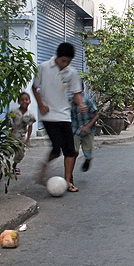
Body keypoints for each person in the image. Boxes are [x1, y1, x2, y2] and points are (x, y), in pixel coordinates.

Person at [33, 42, 87, 192]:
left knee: (70, 151)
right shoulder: (43, 67)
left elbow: (76, 92)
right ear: (57, 56)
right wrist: (40, 104)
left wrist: (81, 104)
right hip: (48, 115)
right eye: (63, 60)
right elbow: (34, 87)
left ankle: (68, 181)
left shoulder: (71, 72)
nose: (65, 64)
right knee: (56, 148)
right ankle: (44, 168)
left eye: (68, 62)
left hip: (64, 114)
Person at [71, 84, 99, 173]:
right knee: (73, 151)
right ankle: (70, 171)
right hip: (75, 130)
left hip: (88, 131)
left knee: (88, 150)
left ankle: (88, 160)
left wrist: (88, 126)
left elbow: (96, 115)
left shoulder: (88, 102)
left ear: (82, 89)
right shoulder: (70, 103)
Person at [8, 92, 36, 175]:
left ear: (29, 101)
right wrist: (8, 133)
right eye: (22, 100)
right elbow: (7, 123)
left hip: (21, 136)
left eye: (26, 99)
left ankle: (14, 166)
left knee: (20, 154)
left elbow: (30, 126)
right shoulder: (14, 112)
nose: (24, 101)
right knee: (7, 151)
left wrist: (28, 138)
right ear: (19, 102)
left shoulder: (30, 115)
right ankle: (4, 166)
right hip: (12, 135)